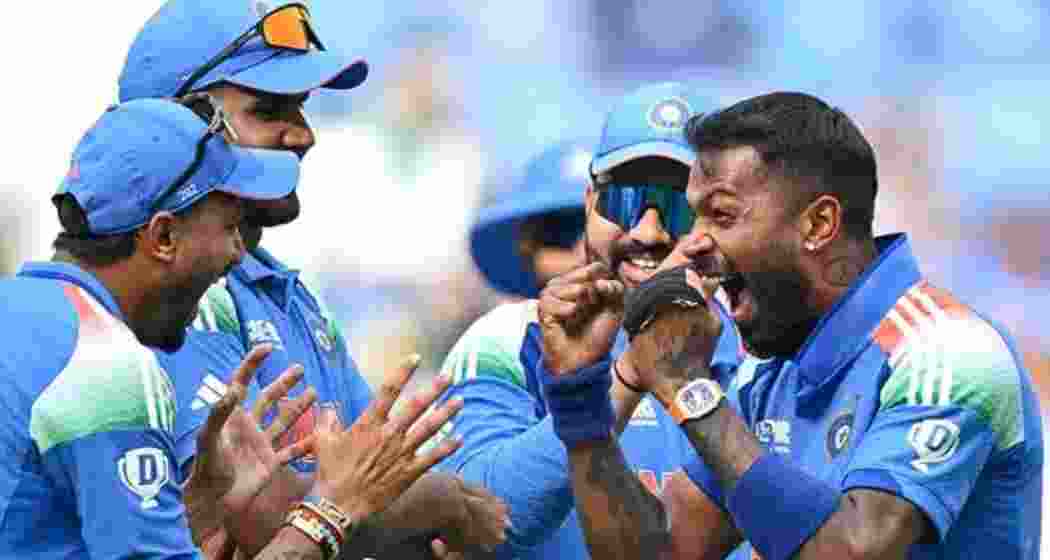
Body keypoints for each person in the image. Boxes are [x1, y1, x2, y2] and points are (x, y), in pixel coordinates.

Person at [538, 92, 1044, 560]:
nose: (691, 243)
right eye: (695, 218)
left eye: (721, 216)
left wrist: (689, 389)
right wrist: (583, 411)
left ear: (818, 225)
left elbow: (852, 550)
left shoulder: (946, 352)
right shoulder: (771, 372)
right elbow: (663, 552)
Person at [117, 1, 508, 556]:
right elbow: (266, 515)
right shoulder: (166, 290)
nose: (303, 136)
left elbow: (380, 473)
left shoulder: (283, 291)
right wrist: (446, 505)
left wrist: (419, 510)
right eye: (269, 110)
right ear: (180, 126)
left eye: (299, 109)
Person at [0, 97, 465, 559]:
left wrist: (193, 513)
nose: (238, 253)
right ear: (163, 237)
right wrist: (331, 510)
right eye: (230, 226)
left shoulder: (17, 310)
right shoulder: (105, 367)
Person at [425, 82, 743, 559]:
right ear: (591, 202)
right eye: (626, 201)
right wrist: (622, 380)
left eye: (679, 205)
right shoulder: (507, 339)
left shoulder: (762, 349)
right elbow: (480, 521)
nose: (648, 232)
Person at [471, 139, 593, 298]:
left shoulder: (630, 319)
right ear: (525, 243)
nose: (584, 251)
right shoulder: (506, 322)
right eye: (563, 228)